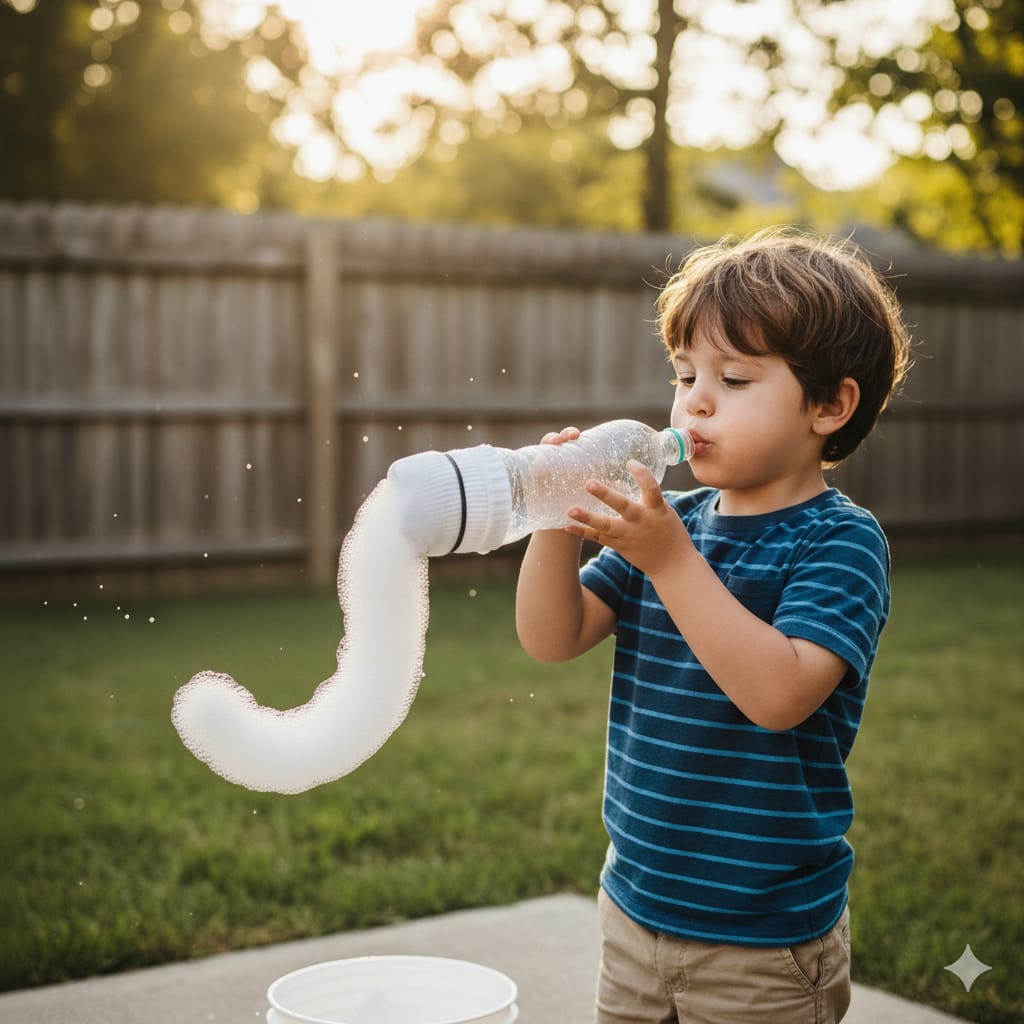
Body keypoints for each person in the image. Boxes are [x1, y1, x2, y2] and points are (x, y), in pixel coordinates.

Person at [515, 228, 912, 1024]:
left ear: (829, 406)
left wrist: (669, 560)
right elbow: (552, 637)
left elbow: (780, 695)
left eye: (732, 379)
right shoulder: (670, 522)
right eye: (685, 374)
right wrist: (555, 520)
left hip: (762, 939)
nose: (694, 401)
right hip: (636, 904)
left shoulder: (839, 542)